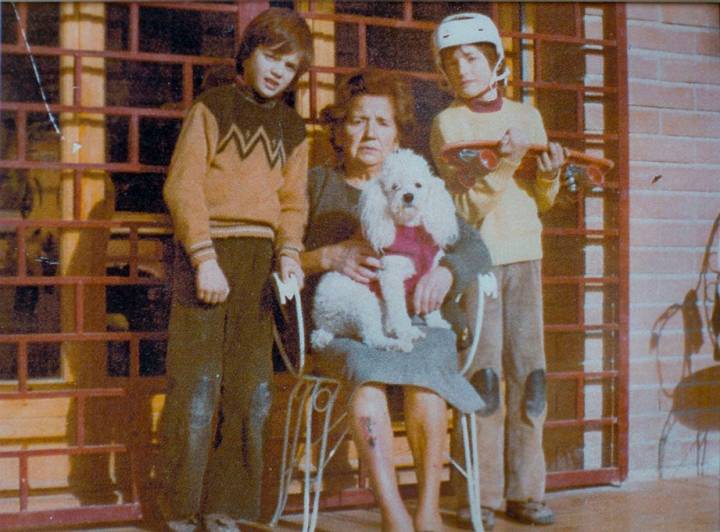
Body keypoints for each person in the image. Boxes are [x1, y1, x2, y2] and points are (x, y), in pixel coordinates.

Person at [302, 69, 492, 532]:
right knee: (366, 380)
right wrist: (327, 255)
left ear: (397, 134)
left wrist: (448, 271)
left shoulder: (416, 183)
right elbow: (282, 257)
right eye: (358, 120)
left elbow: (474, 248)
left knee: (426, 379)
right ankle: (394, 514)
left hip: (418, 324)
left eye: (383, 122)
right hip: (348, 326)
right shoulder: (317, 185)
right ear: (340, 129)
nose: (370, 133)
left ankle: (427, 511)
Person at [158, 8, 313, 532]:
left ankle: (230, 508)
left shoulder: (294, 128)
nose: (277, 72)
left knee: (252, 391)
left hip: (259, 267)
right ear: (247, 54)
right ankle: (181, 510)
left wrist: (290, 254)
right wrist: (203, 257)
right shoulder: (212, 108)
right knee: (196, 389)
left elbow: (294, 204)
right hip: (208, 260)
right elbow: (183, 186)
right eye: (270, 56)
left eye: (289, 66)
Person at [429, 12, 566, 529]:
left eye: (471, 57)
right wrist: (504, 164)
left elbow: (540, 201)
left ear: (495, 61)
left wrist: (548, 178)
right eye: (451, 61)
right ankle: (478, 499)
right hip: (479, 265)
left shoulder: (528, 116)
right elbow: (464, 211)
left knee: (530, 378)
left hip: (526, 260)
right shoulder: (449, 124)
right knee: (483, 381)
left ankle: (525, 492)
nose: (462, 68)